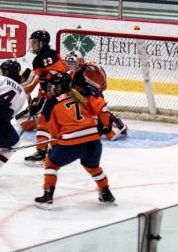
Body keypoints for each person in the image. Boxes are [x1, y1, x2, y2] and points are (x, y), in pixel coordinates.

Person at [33, 72, 116, 209]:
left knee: (51, 164)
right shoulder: (80, 95)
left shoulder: (52, 102)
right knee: (93, 168)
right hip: (93, 141)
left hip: (71, 143)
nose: (52, 89)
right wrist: (106, 124)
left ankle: (47, 196)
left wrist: (53, 143)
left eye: (55, 87)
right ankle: (105, 192)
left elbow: (52, 129)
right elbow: (100, 106)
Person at [21, 29, 68, 165]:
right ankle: (53, 150)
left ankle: (42, 152)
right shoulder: (42, 57)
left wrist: (29, 88)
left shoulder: (47, 56)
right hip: (56, 93)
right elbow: (44, 82)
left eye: (35, 43)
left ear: (43, 43)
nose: (33, 45)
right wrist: (38, 100)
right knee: (51, 121)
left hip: (58, 93)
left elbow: (56, 75)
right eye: (32, 42)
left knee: (44, 119)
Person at [64, 52, 128, 140]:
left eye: (73, 63)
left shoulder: (89, 69)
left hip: (93, 97)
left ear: (81, 61)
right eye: (69, 63)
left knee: (108, 132)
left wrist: (91, 91)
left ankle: (115, 122)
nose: (70, 65)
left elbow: (101, 86)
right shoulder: (70, 73)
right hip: (82, 99)